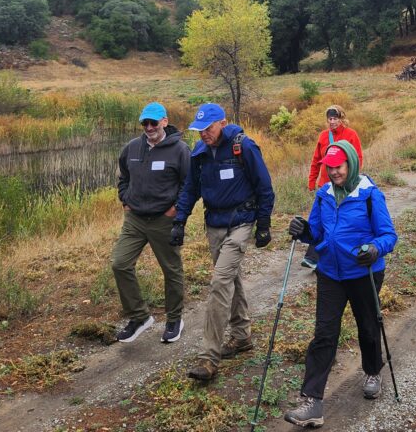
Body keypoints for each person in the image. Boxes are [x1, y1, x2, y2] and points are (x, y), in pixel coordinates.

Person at [284, 142, 398, 427]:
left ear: (350, 164)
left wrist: (374, 248)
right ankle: (312, 402)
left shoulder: (370, 194)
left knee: (369, 328)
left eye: (339, 166)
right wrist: (303, 230)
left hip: (363, 273)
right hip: (330, 274)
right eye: (329, 167)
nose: (334, 172)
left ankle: (372, 372)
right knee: (324, 334)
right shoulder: (323, 195)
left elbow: (388, 235)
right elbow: (316, 233)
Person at [174, 103, 275, 382]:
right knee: (231, 279)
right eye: (199, 129)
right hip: (214, 225)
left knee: (219, 282)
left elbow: (265, 187)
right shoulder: (200, 153)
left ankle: (209, 357)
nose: (203, 134)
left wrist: (263, 224)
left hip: (242, 222)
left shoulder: (244, 146)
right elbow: (190, 189)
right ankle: (242, 336)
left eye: (208, 128)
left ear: (222, 123)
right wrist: (179, 221)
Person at [111, 102, 192, 345]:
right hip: (135, 219)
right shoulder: (132, 148)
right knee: (120, 264)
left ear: (165, 122)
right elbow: (122, 177)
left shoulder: (180, 150)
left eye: (153, 123)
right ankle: (139, 317)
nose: (148, 127)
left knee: (171, 269)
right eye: (144, 123)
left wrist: (176, 211)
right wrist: (124, 198)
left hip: (163, 220)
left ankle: (174, 319)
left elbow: (189, 185)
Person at [303, 105, 364, 269]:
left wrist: (350, 181)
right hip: (325, 185)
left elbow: (357, 159)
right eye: (329, 119)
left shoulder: (351, 135)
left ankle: (320, 256)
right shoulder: (323, 137)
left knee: (336, 221)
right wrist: (312, 181)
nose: (332, 122)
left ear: (341, 118)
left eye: (335, 118)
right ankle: (313, 257)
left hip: (344, 185)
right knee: (321, 219)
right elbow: (316, 160)